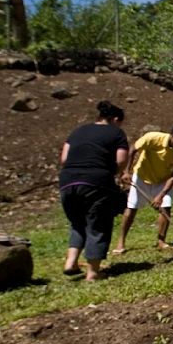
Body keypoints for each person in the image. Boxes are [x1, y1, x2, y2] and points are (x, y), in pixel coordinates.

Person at [58, 101, 129, 281]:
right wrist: (114, 174)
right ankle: (93, 272)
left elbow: (64, 158)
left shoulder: (78, 131)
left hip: (67, 182)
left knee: (77, 222)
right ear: (115, 119)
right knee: (98, 223)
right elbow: (121, 161)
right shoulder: (116, 133)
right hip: (96, 182)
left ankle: (71, 263)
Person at [113, 124, 173, 254]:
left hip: (162, 180)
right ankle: (120, 242)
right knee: (131, 208)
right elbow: (133, 149)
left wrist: (161, 195)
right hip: (141, 176)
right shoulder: (152, 138)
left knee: (166, 208)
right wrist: (126, 172)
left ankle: (161, 241)